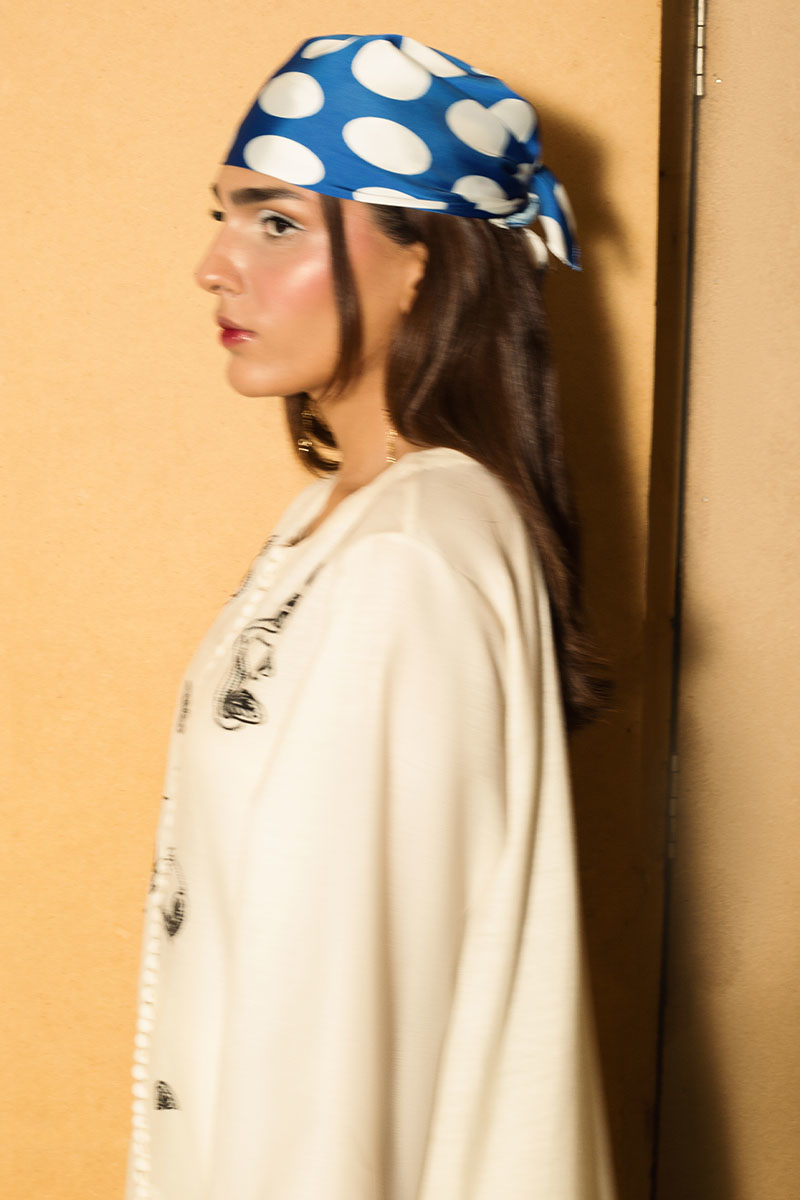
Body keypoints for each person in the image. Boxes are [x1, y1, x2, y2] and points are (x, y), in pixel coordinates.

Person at [125, 32, 618, 1200]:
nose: (214, 265)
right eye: (226, 217)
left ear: (421, 268)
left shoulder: (406, 556)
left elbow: (336, 1039)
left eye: (276, 222)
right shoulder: (342, 522)